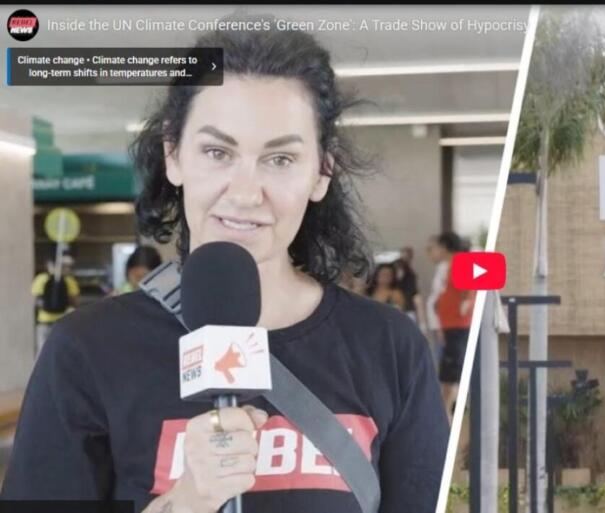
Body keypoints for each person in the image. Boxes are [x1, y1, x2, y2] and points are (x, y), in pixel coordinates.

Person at [2, 18, 449, 513]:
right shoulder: (87, 349)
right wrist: (187, 499)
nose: (245, 193)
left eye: (280, 159)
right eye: (217, 152)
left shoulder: (389, 347)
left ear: (322, 171)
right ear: (174, 155)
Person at [426, 232, 474, 419]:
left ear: (445, 247)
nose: (434, 251)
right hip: (450, 324)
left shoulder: (459, 263)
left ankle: (446, 411)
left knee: (451, 370)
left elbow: (467, 290)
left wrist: (464, 307)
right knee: (448, 369)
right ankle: (446, 410)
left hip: (456, 324)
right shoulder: (449, 266)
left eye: (436, 247)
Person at [29, 253, 80, 355]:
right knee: (63, 354)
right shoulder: (69, 280)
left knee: (42, 353)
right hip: (63, 322)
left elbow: (34, 301)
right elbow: (75, 302)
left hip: (44, 321)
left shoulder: (41, 279)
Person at [394, 247, 425, 327]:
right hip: (397, 308)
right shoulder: (396, 268)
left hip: (408, 308)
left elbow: (415, 294)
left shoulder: (411, 275)